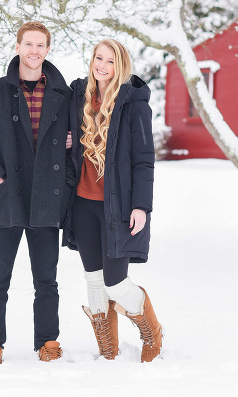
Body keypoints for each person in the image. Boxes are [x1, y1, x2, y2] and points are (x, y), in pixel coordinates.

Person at [0, 21, 72, 365]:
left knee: (47, 280)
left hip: (46, 198)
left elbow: (79, 142)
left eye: (40, 45)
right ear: (17, 46)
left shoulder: (65, 94)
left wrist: (66, 161)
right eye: (28, 44)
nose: (34, 51)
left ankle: (48, 341)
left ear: (47, 49)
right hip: (7, 196)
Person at [63, 38, 162, 362]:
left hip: (118, 207)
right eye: (98, 58)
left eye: (109, 61)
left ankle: (152, 330)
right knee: (93, 281)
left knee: (116, 283)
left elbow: (144, 160)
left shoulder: (134, 104)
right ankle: (108, 348)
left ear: (120, 66)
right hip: (83, 203)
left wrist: (141, 206)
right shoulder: (80, 96)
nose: (102, 66)